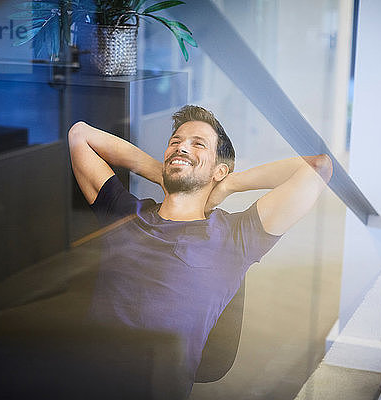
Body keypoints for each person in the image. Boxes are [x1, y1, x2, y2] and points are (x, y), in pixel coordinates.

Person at [68, 105, 332, 396]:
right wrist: (163, 172)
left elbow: (318, 168)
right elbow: (80, 135)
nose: (182, 147)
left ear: (219, 169)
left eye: (198, 144)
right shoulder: (127, 213)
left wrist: (229, 184)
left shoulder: (236, 237)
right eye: (175, 142)